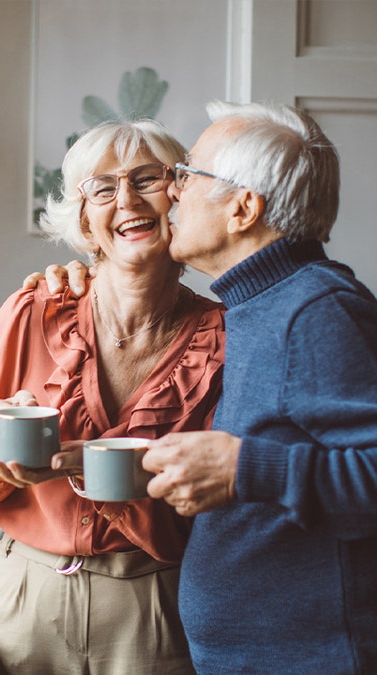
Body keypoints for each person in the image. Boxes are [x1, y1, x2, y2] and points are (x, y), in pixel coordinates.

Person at [0, 119, 225, 675]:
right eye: (102, 188)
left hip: (157, 604)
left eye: (147, 179)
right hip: (25, 596)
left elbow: (230, 505)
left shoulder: (227, 336)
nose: (126, 200)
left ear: (180, 196)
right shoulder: (34, 308)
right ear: (87, 222)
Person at [137, 101, 377, 673]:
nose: (172, 191)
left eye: (189, 174)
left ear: (244, 208)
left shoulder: (316, 310)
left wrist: (249, 470)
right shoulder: (254, 305)